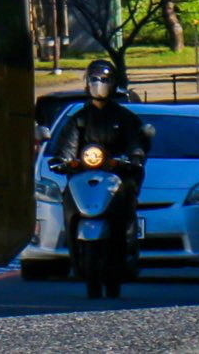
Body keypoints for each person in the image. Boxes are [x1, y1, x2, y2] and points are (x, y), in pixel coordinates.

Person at [45, 58, 150, 298]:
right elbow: (67, 146)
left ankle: (127, 250)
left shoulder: (124, 117)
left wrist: (132, 158)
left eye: (104, 80)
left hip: (116, 177)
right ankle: (76, 254)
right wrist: (64, 160)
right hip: (84, 177)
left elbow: (136, 144)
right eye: (93, 79)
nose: (98, 84)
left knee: (126, 206)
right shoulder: (79, 118)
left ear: (113, 84)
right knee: (68, 199)